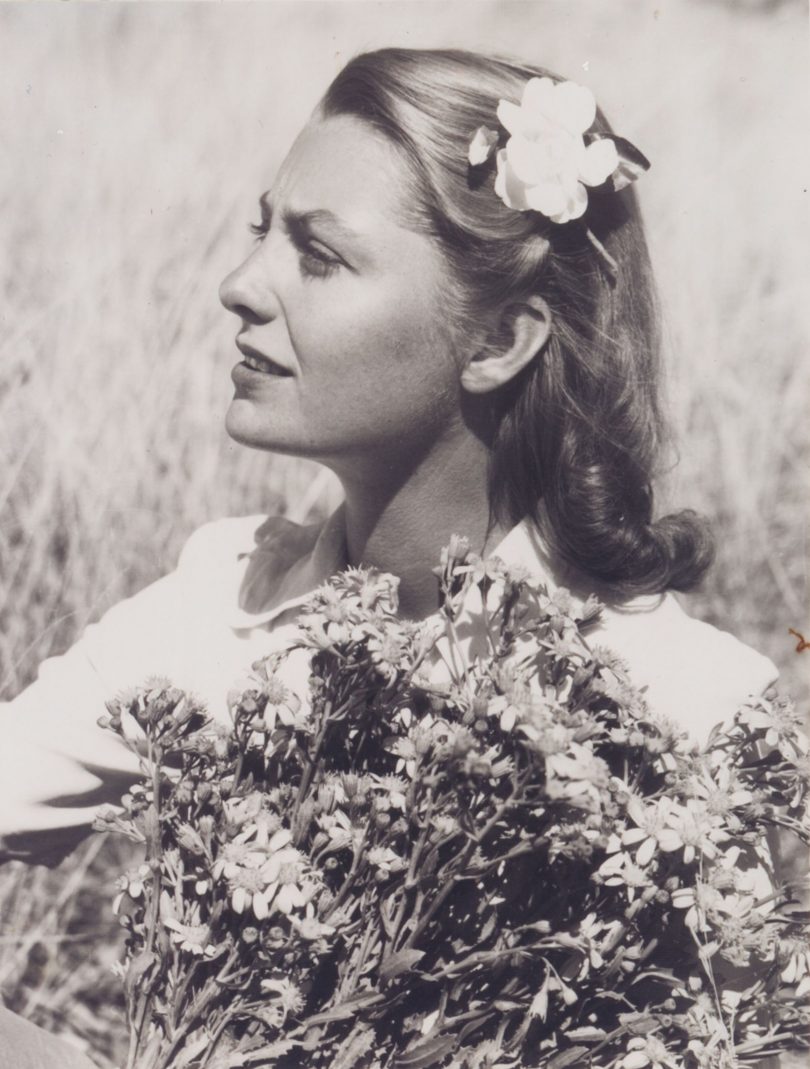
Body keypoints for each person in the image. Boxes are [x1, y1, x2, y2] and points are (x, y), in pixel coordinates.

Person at [0, 48, 780, 1066]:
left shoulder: (692, 711)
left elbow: (763, 1040)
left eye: (319, 258)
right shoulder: (221, 603)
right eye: (260, 232)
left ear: (500, 338)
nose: (239, 286)